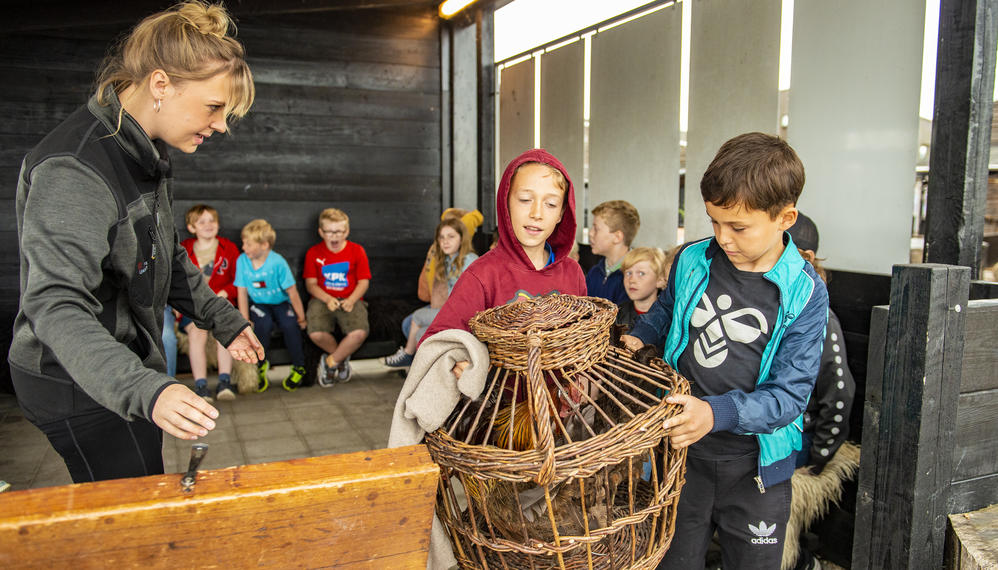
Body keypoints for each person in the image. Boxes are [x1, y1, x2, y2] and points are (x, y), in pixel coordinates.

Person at [8, 1, 263, 484]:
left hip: (124, 365)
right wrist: (146, 390)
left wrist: (222, 319)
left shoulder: (144, 153)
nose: (222, 124)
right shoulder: (74, 169)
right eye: (214, 107)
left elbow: (164, 253)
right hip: (75, 380)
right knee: (133, 513)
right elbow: (56, 304)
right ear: (161, 84)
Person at [620, 132, 829, 570]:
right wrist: (643, 335)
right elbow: (668, 308)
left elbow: (790, 397)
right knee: (670, 559)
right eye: (714, 221)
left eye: (738, 227)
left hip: (754, 467)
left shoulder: (805, 293)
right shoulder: (693, 258)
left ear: (785, 217)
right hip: (681, 453)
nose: (722, 237)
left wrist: (714, 414)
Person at [420, 147, 587, 356]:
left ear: (562, 213)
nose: (537, 213)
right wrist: (460, 363)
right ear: (505, 202)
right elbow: (436, 341)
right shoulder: (481, 275)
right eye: (525, 200)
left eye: (551, 204)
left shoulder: (573, 273)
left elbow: (582, 339)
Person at [786, 213, 855, 570]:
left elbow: (839, 392)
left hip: (802, 440)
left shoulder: (821, 316)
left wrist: (820, 453)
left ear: (806, 258)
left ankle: (801, 563)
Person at [384, 217, 478, 368]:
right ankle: (425, 367)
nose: (445, 241)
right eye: (442, 237)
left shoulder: (469, 260)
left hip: (464, 314)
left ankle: (410, 355)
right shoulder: (447, 260)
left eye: (451, 236)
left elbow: (471, 299)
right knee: (419, 331)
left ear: (462, 239)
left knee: (418, 316)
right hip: (449, 309)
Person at [235, 219, 307, 392]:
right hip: (259, 304)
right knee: (262, 324)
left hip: (280, 302)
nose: (243, 247)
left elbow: (292, 292)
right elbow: (242, 293)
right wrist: (244, 320)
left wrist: (302, 317)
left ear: (264, 245)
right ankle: (260, 366)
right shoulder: (242, 261)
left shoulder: (278, 262)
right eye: (243, 242)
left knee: (291, 325)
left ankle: (299, 366)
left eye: (248, 243)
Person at [303, 208, 372, 387]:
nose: (334, 236)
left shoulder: (357, 251)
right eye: (329, 232)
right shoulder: (313, 253)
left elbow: (363, 282)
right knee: (316, 333)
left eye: (339, 231)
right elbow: (311, 284)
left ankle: (330, 363)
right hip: (322, 299)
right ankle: (341, 358)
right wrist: (327, 299)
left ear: (346, 231)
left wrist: (351, 300)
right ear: (321, 232)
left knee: (359, 332)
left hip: (351, 298)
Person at [180, 204, 241, 402]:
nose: (208, 225)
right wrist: (178, 307)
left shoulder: (228, 248)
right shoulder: (184, 250)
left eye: (212, 221)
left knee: (224, 330)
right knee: (197, 332)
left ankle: (225, 381)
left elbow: (239, 280)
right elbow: (177, 283)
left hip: (221, 304)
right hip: (193, 306)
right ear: (191, 227)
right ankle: (201, 385)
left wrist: (226, 292)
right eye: (202, 222)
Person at [614, 247, 675, 347]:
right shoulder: (617, 313)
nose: (632, 280)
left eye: (641, 273)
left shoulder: (669, 318)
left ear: (660, 280)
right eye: (628, 273)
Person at [586, 200, 640, 304]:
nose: (590, 233)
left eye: (596, 229)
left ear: (617, 237)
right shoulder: (594, 272)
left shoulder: (633, 280)